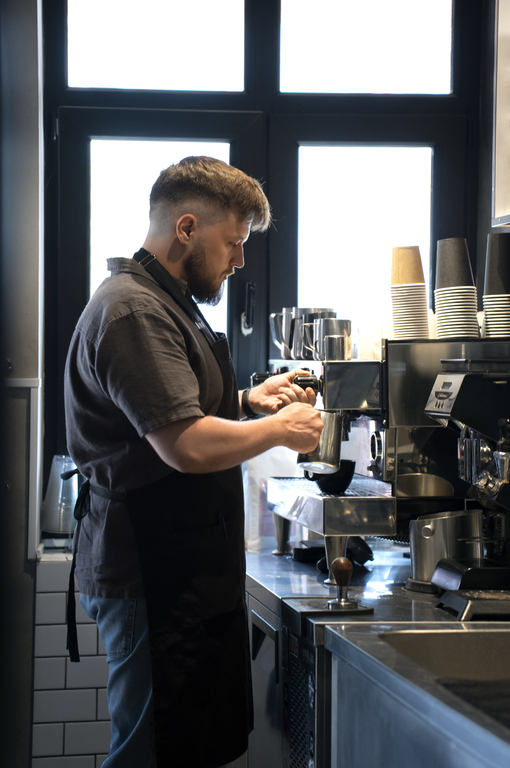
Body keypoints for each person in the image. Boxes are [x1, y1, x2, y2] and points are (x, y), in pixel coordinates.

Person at [64, 156, 323, 768]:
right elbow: (182, 445)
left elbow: (161, 414)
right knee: (149, 752)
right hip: (149, 570)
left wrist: (242, 402)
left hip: (176, 562)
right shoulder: (134, 311)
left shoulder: (164, 300)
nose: (238, 260)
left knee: (180, 748)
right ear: (186, 228)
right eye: (232, 243)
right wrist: (277, 429)